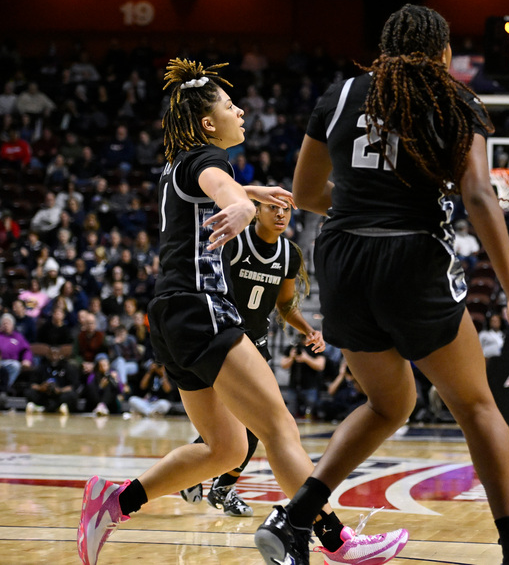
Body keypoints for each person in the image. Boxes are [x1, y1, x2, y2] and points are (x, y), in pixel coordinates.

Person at [77, 59, 404, 565]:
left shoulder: (178, 164)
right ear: (209, 124)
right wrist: (245, 203)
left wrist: (251, 193)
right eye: (231, 106)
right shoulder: (210, 159)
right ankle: (337, 540)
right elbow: (220, 186)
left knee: (225, 449)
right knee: (278, 429)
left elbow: (206, 188)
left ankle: (114, 502)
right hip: (201, 307)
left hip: (170, 317)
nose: (241, 111)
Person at [254, 5, 509, 565]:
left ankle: (295, 518)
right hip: (410, 254)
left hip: (341, 257)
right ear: (440, 52)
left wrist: (364, 202)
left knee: (390, 403)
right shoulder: (453, 98)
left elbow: (306, 192)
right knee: (477, 407)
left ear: (386, 47)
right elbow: (481, 196)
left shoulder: (338, 95)